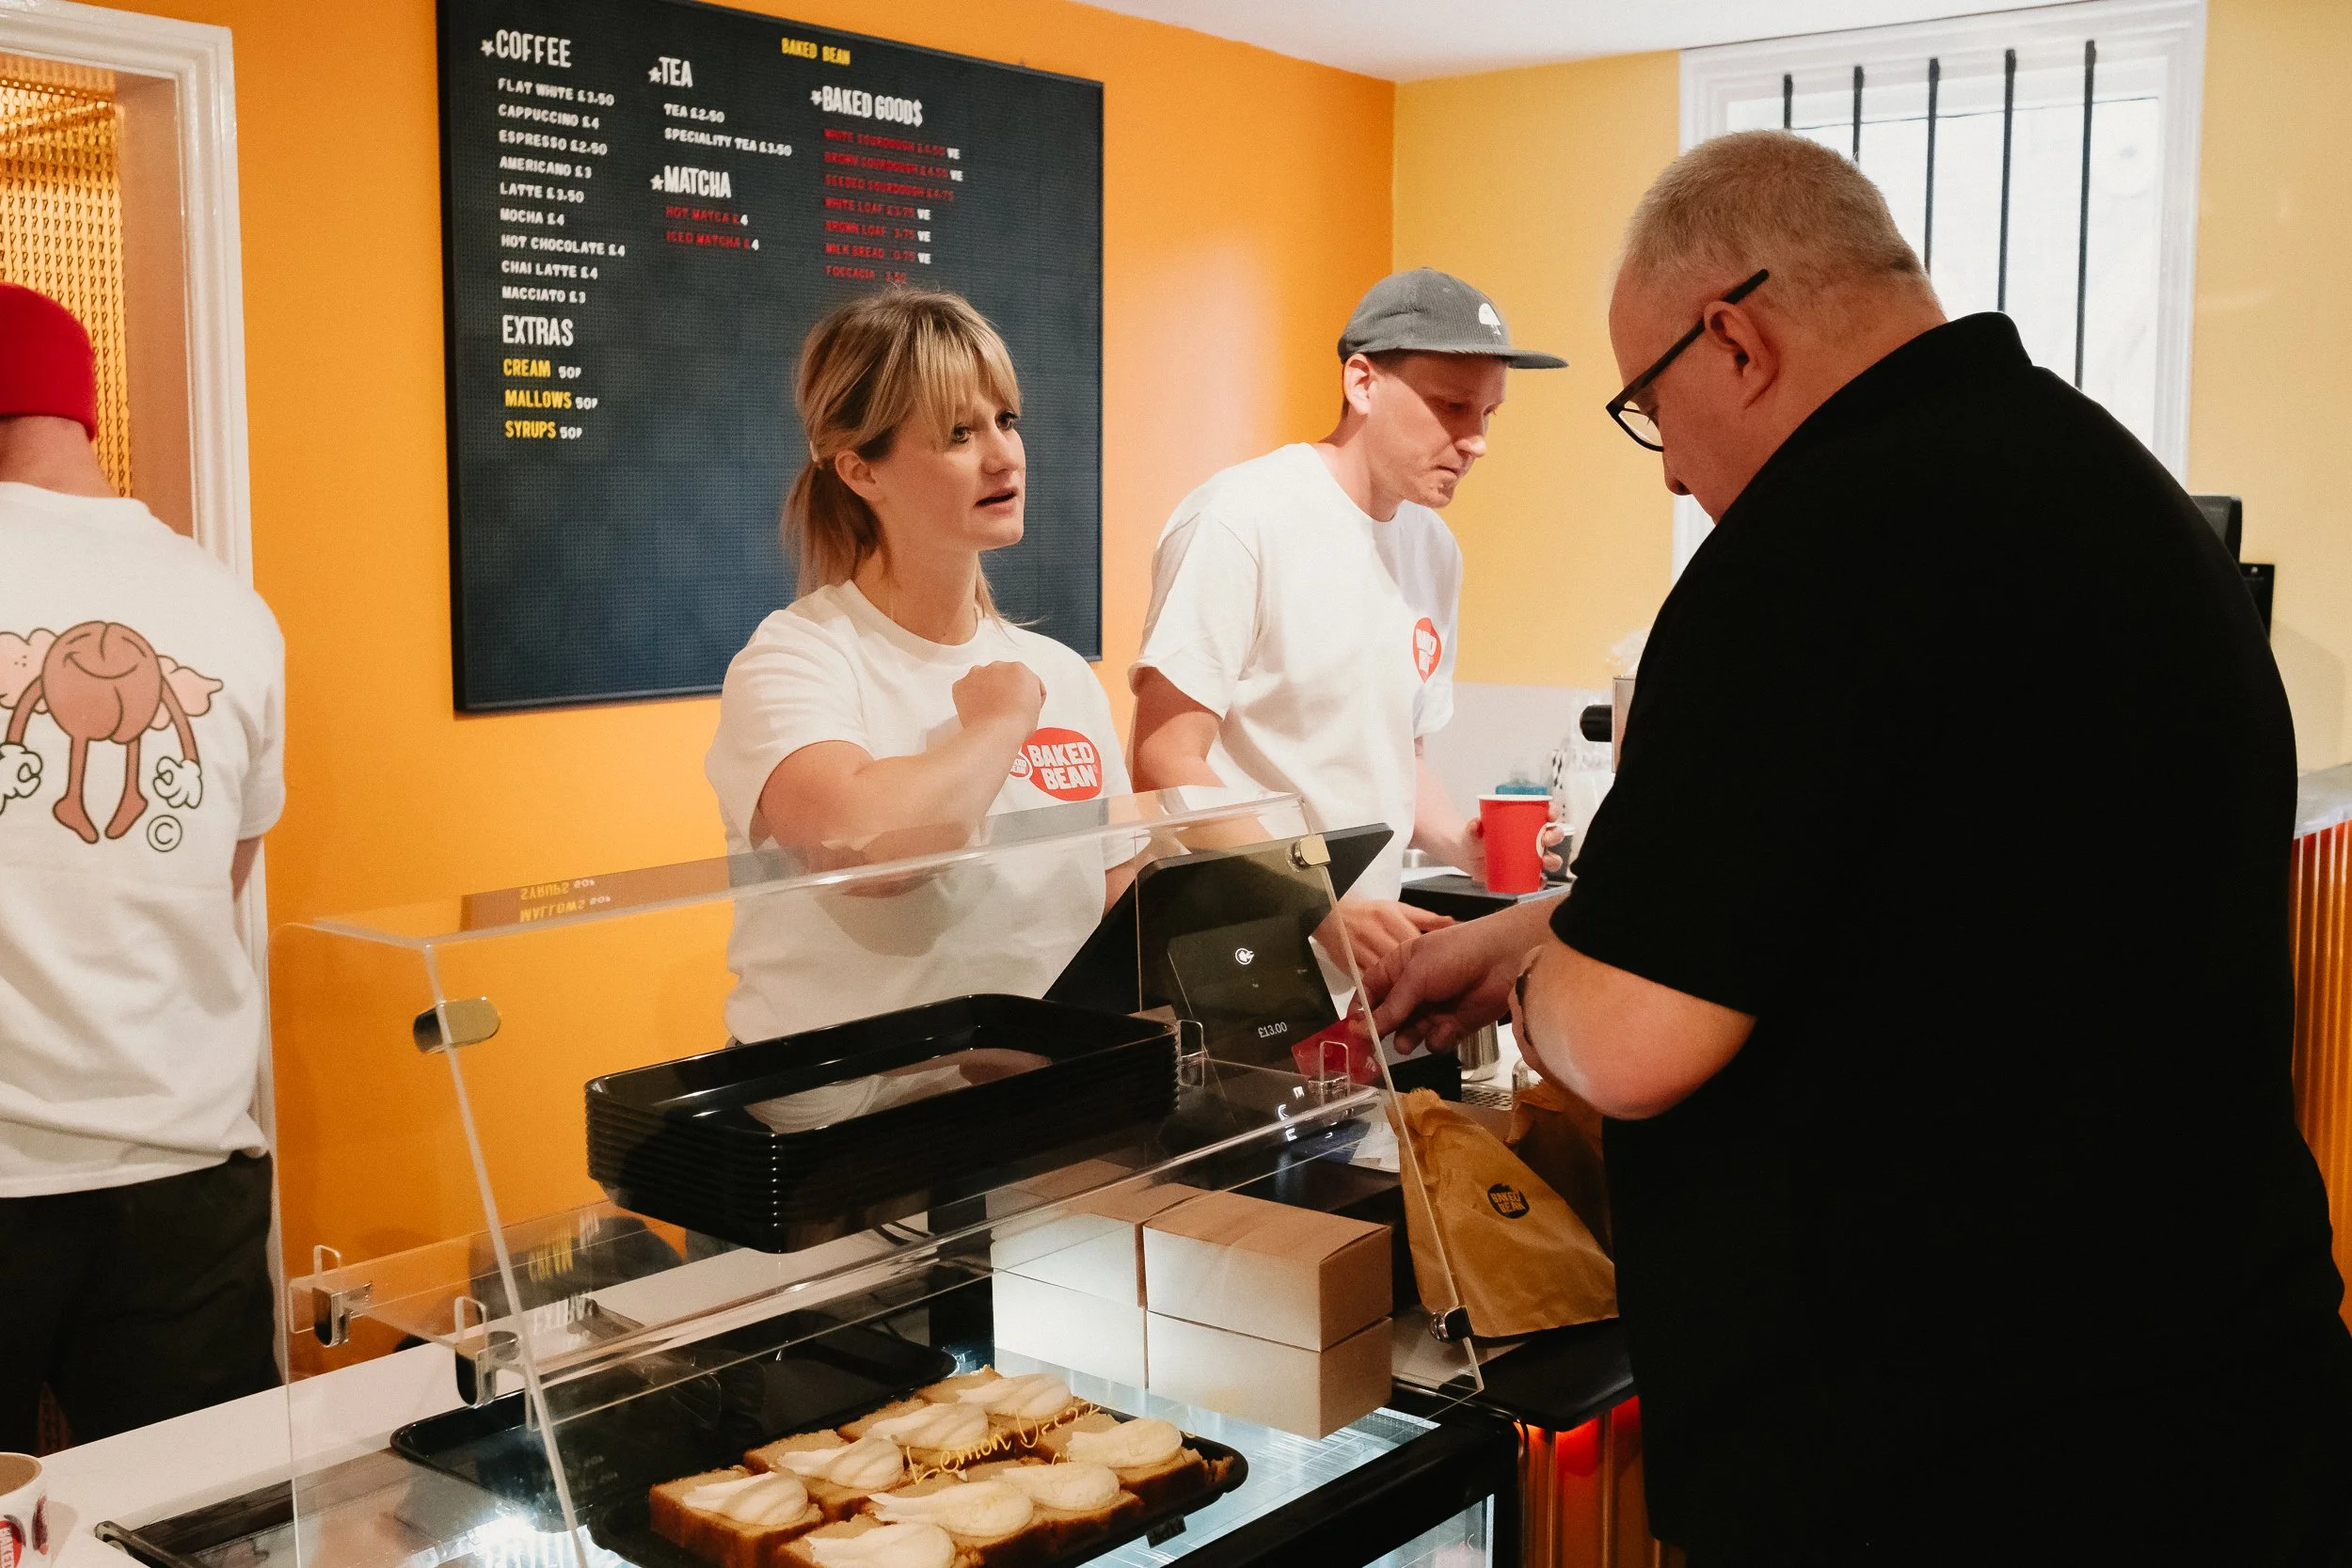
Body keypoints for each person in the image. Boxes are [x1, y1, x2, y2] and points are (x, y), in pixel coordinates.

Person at [1365, 133, 2352, 1562]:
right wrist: (1533, 927)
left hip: (1946, 1457)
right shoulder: (2108, 484)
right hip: (2217, 1390)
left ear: (1734, 339)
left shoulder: (1808, 544)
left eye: (1650, 408)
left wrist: (1543, 984)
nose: (1670, 472)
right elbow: (1922, 883)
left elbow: (1629, 1043)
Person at [0, 284, 287, 1449]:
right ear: (81, 414)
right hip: (184, 1167)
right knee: (199, 1514)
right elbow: (223, 871)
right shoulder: (228, 601)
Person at [706, 289, 1130, 1044]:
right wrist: (1000, 724)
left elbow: (1118, 906)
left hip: (1034, 1092)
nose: (1003, 456)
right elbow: (868, 847)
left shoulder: (1062, 674)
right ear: (861, 472)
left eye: (1006, 420)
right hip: (847, 1103)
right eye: (959, 433)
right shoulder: (794, 659)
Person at [1127, 268, 1565, 969]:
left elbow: (1396, 755)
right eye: (1452, 406)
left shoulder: (1434, 550)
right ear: (1361, 383)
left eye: (1488, 414)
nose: (1476, 440)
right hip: (1231, 952)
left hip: (1355, 960)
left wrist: (1462, 843)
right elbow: (1163, 760)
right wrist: (1314, 900)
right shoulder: (1241, 518)